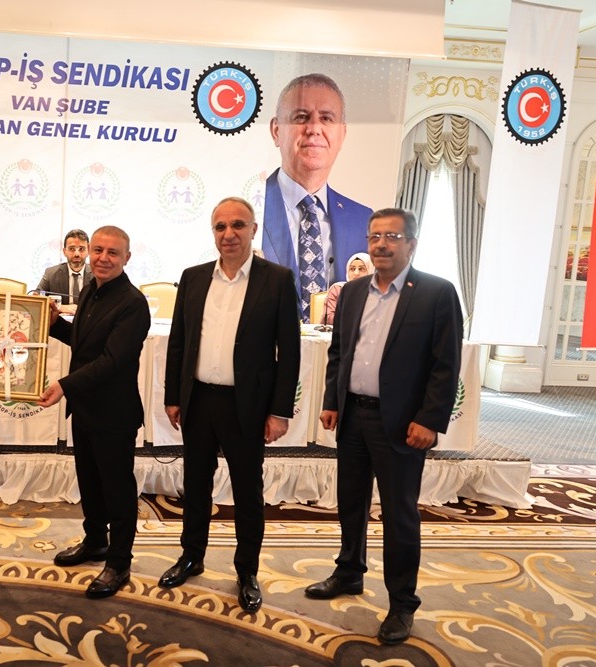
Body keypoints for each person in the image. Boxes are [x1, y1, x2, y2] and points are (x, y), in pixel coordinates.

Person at [306, 208, 462, 646]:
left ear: (411, 243)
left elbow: (445, 364)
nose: (381, 244)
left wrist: (429, 419)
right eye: (374, 236)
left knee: (399, 515)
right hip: (353, 416)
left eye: (392, 236)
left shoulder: (436, 293)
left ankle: (402, 603)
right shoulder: (353, 291)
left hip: (402, 425)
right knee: (350, 502)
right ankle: (349, 572)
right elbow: (339, 351)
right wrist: (332, 401)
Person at [160, 197, 300, 613]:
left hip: (247, 404)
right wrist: (173, 396)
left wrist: (279, 411)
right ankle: (191, 556)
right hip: (199, 400)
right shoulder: (193, 277)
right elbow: (179, 342)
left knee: (247, 491)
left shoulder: (276, 279)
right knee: (195, 485)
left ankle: (247, 570)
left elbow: (289, 351)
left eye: (238, 225)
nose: (229, 234)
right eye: (220, 227)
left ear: (253, 230)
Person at [38, 225, 151, 599]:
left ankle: (119, 562)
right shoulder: (90, 289)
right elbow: (82, 342)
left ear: (126, 258)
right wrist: (54, 324)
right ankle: (95, 541)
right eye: (98, 250)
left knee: (117, 490)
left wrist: (64, 386)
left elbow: (111, 360)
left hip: (114, 413)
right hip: (85, 407)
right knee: (89, 481)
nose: (103, 258)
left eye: (112, 252)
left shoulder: (133, 304)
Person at [260, 73, 371, 322]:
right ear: (276, 131)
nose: (314, 129)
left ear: (342, 134)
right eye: (301, 117)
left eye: (326, 118)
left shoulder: (364, 220)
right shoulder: (247, 209)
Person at [36, 229, 93, 311]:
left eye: (81, 249)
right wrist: (59, 307)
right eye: (72, 249)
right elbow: (36, 297)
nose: (77, 254)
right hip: (61, 319)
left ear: (88, 251)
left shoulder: (97, 275)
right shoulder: (51, 274)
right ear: (64, 251)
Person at [321, 252, 374, 325]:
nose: (356, 273)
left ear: (371, 271)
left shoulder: (376, 293)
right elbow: (329, 318)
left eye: (361, 269)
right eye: (352, 269)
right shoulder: (338, 289)